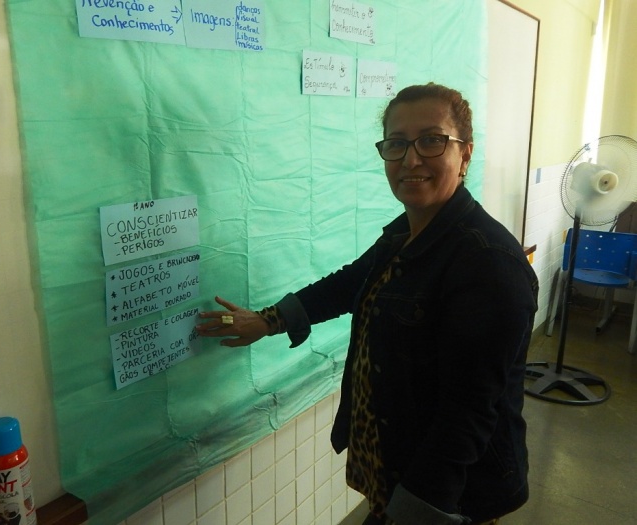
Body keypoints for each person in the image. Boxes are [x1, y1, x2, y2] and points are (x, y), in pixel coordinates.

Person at [196, 82, 538, 525]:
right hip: (396, 467)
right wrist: (267, 321)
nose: (410, 159)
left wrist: (415, 512)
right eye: (397, 143)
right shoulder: (406, 232)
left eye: (431, 140)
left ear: (465, 153)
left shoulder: (488, 263)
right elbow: (348, 283)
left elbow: (466, 415)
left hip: (451, 496)